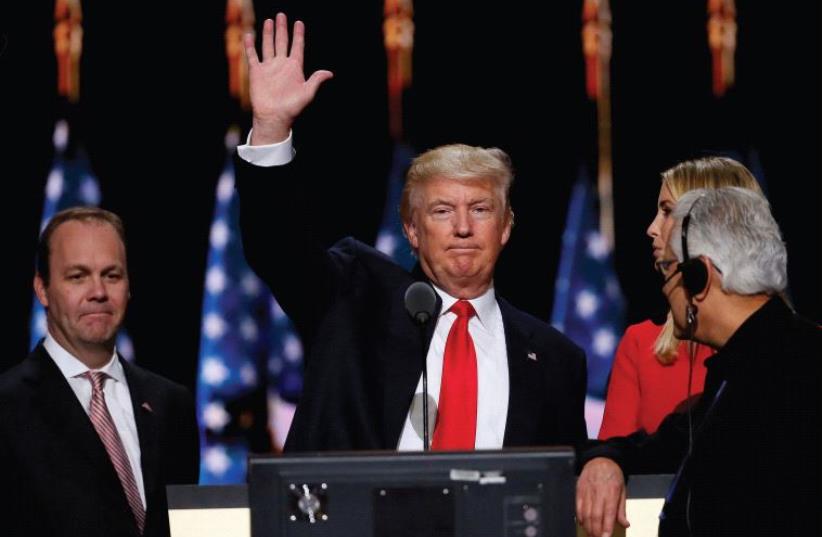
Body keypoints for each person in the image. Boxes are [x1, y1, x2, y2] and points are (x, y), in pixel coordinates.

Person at [234, 13, 588, 452]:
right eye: (442, 211)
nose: (462, 227)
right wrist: (271, 128)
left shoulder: (557, 360)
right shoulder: (352, 300)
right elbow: (277, 247)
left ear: (506, 227)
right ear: (412, 230)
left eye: (480, 209)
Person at [576, 187, 820, 537]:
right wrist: (605, 458)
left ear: (700, 277)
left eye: (668, 269)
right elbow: (655, 449)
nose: (664, 288)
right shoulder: (735, 371)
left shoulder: (792, 371)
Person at [0, 207, 200, 537]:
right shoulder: (8, 407)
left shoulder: (170, 404)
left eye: (112, 275)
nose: (98, 292)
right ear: (42, 289)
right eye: (77, 276)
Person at [598, 157, 762, 439]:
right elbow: (614, 461)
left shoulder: (803, 351)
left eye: (667, 211)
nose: (652, 228)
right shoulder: (640, 345)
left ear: (714, 224)